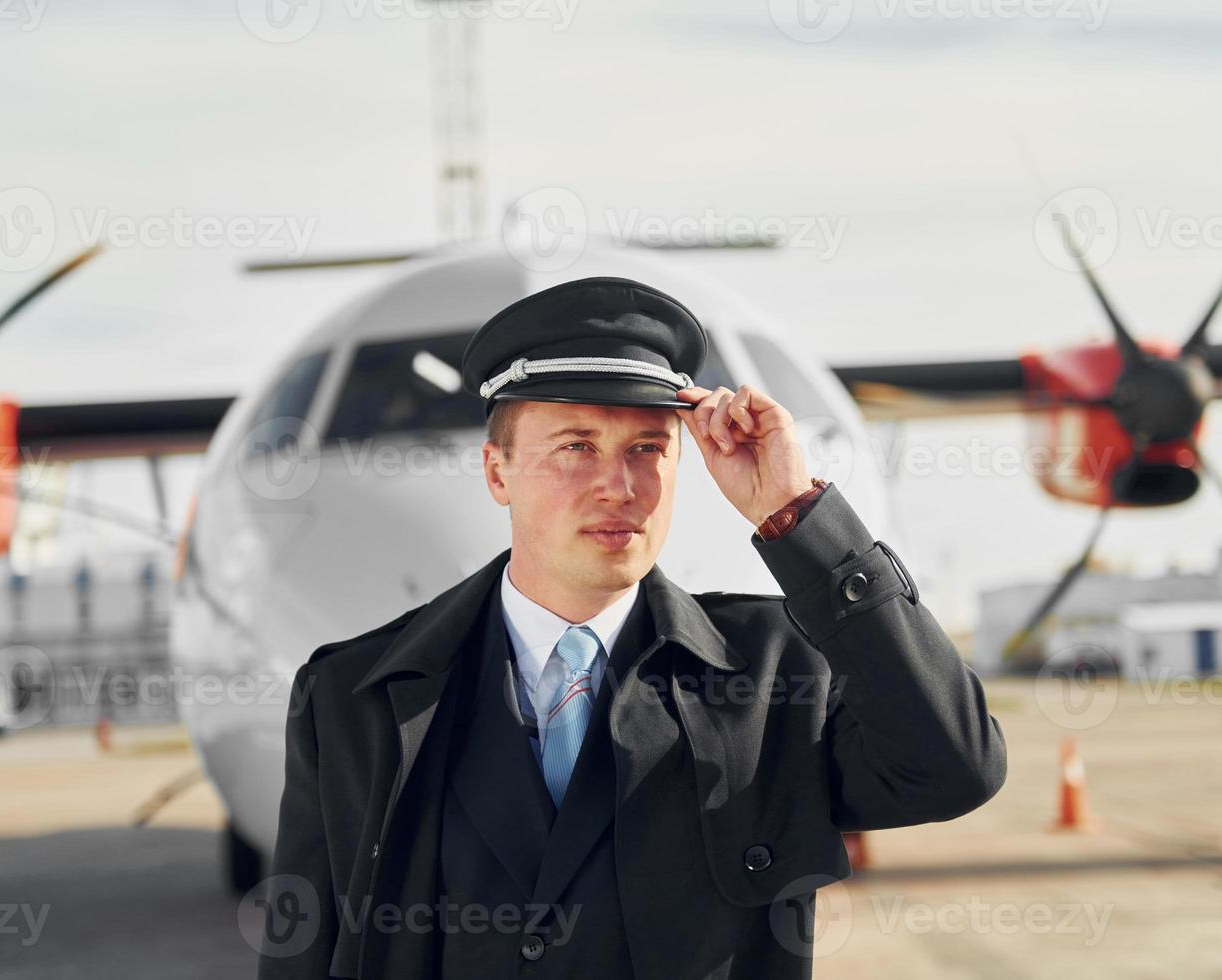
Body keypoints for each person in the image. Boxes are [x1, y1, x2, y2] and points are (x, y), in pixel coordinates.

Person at [258, 276, 1007, 979]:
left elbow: (953, 767)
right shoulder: (350, 698)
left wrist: (800, 517)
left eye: (647, 449)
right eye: (576, 447)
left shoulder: (776, 676)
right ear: (497, 473)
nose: (618, 486)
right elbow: (301, 951)